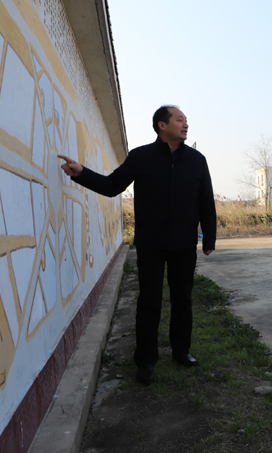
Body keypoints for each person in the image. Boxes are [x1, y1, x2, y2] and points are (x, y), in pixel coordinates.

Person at [59, 105, 216, 385]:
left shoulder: (197, 160)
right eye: (180, 120)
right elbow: (112, 186)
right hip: (150, 243)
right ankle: (145, 360)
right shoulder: (141, 157)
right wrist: (81, 173)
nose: (185, 124)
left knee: (182, 298)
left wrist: (209, 238)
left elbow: (206, 200)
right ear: (162, 125)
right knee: (149, 301)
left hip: (183, 243)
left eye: (186, 121)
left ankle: (181, 351)